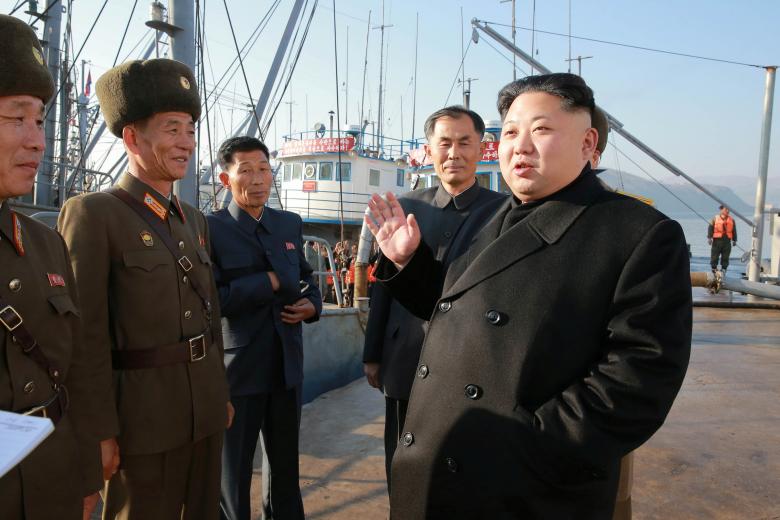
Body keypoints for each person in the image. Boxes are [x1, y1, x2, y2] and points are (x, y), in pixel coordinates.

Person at [365, 73, 692, 519]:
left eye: (541, 130)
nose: (520, 146)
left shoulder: (637, 233)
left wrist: (522, 443)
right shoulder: (494, 217)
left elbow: (639, 378)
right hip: (440, 469)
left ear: (587, 141)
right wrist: (408, 263)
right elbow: (457, 309)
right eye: (511, 132)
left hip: (523, 489)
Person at [58, 58, 231, 519]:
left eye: (191, 130)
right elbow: (85, 337)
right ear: (132, 137)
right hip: (142, 423)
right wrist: (98, 432)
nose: (186, 143)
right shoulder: (94, 214)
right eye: (172, 129)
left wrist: (221, 395)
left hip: (206, 411)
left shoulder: (193, 220)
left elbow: (209, 314)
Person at [0, 14, 112, 519]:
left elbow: (76, 370)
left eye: (40, 120)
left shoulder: (45, 244)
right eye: (16, 118)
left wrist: (85, 477)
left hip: (52, 480)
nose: (38, 142)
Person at [362, 105, 505, 488]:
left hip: (470, 363)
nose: (454, 153)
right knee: (401, 463)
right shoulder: (405, 207)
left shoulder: (504, 213)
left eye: (464, 142)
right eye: (444, 143)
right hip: (405, 356)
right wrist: (372, 353)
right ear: (429, 149)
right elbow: (382, 286)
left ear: (481, 149)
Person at [208, 136, 322, 520]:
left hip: (286, 365)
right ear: (226, 179)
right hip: (239, 370)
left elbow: (307, 278)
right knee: (233, 472)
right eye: (246, 171)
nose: (258, 179)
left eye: (264, 169)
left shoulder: (288, 223)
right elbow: (212, 299)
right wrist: (269, 282)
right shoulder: (212, 229)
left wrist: (313, 305)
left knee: (285, 466)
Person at [708, 205, 737, 274]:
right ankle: (714, 268)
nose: (727, 211)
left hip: (727, 241)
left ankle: (724, 269)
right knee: (714, 255)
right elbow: (710, 228)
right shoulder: (715, 219)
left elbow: (734, 231)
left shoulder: (732, 220)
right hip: (717, 240)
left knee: (725, 256)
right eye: (726, 209)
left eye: (728, 210)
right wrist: (709, 238)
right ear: (721, 210)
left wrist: (734, 240)